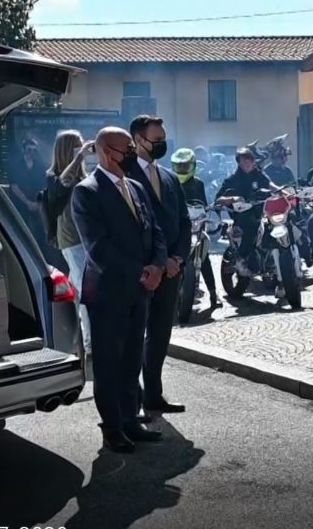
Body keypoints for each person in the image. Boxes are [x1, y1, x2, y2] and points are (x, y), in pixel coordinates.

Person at [72, 127, 166, 453]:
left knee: (130, 361)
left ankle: (129, 418)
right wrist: (141, 272)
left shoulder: (137, 188)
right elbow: (98, 249)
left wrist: (157, 264)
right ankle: (112, 427)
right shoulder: (87, 192)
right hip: (108, 292)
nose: (131, 154)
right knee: (109, 363)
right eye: (126, 149)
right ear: (106, 152)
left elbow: (155, 231)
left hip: (139, 290)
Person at [125, 115, 192, 415]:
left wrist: (177, 259)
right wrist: (156, 263)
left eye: (164, 138)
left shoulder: (168, 177)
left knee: (160, 335)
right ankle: (132, 399)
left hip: (171, 272)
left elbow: (184, 222)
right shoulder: (124, 177)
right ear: (139, 140)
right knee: (132, 337)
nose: (162, 144)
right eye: (157, 140)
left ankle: (153, 393)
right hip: (142, 273)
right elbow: (130, 228)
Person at [46, 130, 93, 361]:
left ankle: (77, 338)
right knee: (87, 290)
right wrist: (79, 157)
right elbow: (63, 183)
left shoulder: (82, 176)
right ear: (67, 149)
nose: (82, 148)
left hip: (85, 238)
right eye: (76, 146)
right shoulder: (55, 176)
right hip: (72, 239)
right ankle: (90, 343)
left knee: (79, 289)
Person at [216, 147, 279, 274]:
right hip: (241, 216)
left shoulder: (258, 175)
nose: (246, 163)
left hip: (261, 212)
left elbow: (270, 185)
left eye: (249, 159)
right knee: (250, 225)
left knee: (277, 222)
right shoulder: (232, 180)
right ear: (238, 162)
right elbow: (219, 199)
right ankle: (242, 259)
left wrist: (281, 191)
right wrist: (233, 198)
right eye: (243, 160)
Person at [171, 148, 220, 309]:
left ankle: (214, 294)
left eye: (185, 166)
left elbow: (203, 204)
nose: (182, 169)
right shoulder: (171, 181)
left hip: (195, 226)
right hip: (177, 227)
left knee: (204, 257)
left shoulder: (198, 183)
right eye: (179, 166)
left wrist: (206, 217)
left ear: (192, 166)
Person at [9, 137, 48, 246]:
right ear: (23, 150)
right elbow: (14, 186)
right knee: (21, 231)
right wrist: (27, 202)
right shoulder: (16, 166)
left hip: (37, 203)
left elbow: (44, 186)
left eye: (34, 150)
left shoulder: (40, 166)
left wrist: (38, 203)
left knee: (40, 233)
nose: (31, 153)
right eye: (29, 150)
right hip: (21, 203)